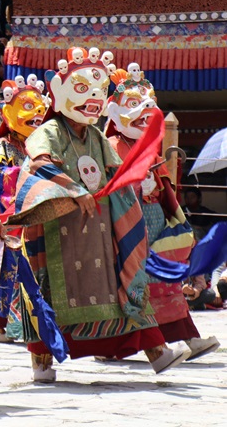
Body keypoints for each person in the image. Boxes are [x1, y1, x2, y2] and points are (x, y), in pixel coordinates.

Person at [9, 47, 190, 382]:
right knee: (47, 292)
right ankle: (42, 362)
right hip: (58, 230)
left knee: (125, 284)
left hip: (100, 231)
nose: (93, 97)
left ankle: (157, 352)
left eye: (99, 91)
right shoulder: (50, 130)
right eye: (82, 90)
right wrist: (75, 191)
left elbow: (115, 171)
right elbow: (39, 162)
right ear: (59, 92)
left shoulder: (96, 135)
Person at [106, 64, 220, 360]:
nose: (145, 108)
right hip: (126, 228)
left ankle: (188, 338)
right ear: (115, 113)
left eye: (148, 102)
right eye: (133, 104)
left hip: (155, 227)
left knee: (166, 284)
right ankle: (144, 347)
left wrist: (179, 224)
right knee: (135, 288)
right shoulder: (111, 147)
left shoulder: (152, 151)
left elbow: (166, 191)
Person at [0, 79, 47, 342]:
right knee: (2, 272)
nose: (36, 114)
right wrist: (31, 174)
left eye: (39, 108)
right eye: (28, 106)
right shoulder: (2, 146)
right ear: (8, 113)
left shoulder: (37, 145)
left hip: (36, 214)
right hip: (9, 217)